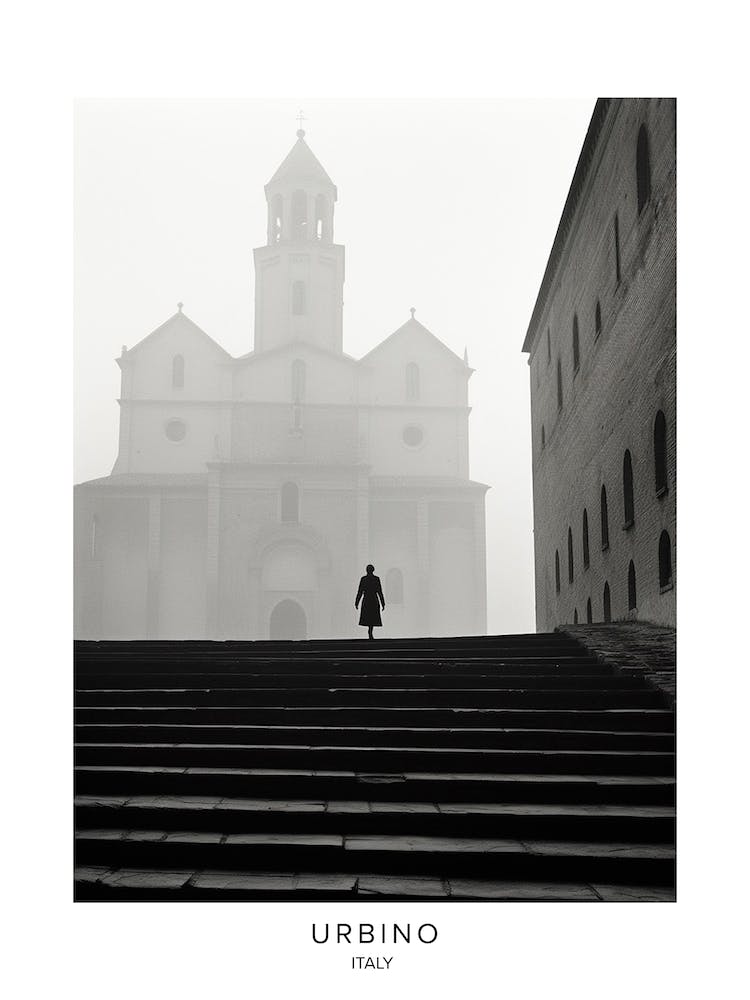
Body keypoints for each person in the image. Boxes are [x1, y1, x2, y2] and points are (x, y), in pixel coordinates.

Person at [355, 564, 385, 639]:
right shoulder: (376, 579)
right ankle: (370, 631)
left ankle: (370, 631)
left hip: (367, 599)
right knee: (372, 616)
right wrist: (383, 603)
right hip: (374, 599)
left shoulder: (363, 579)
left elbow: (360, 591)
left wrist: (357, 602)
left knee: (368, 616)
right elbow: (379, 591)